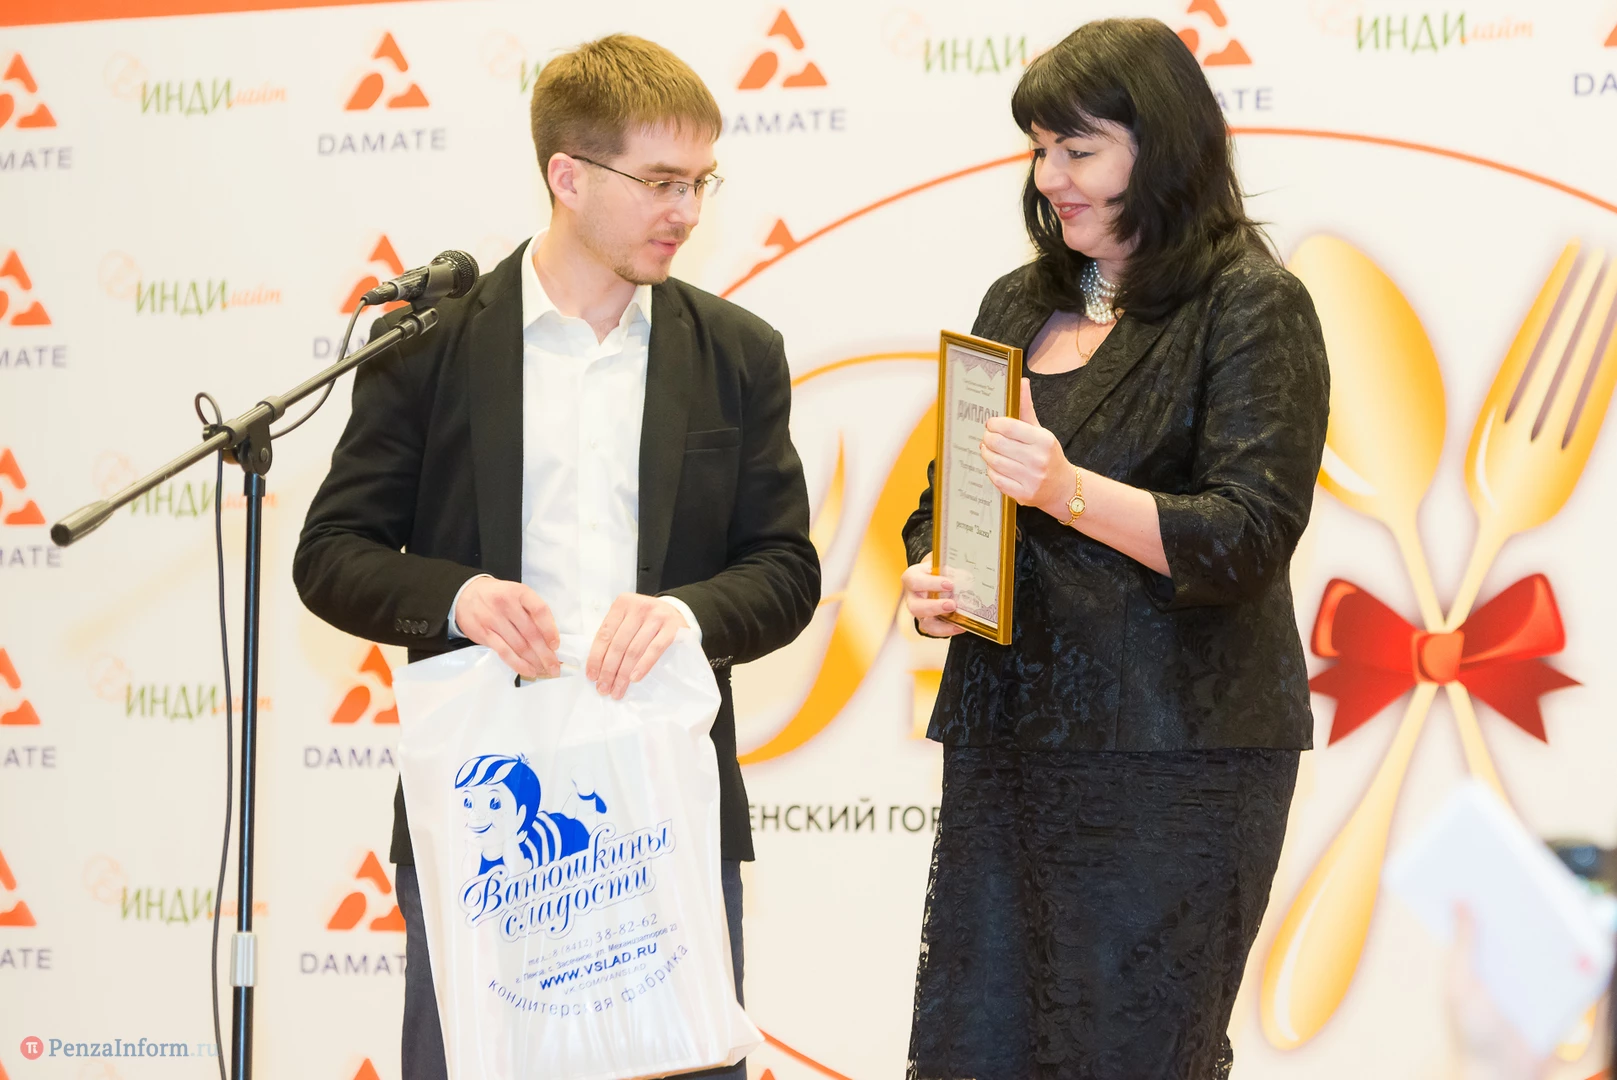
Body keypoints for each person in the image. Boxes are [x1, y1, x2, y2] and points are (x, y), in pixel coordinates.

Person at [293, 34, 820, 1080]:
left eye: (700, 182)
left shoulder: (737, 352)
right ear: (568, 176)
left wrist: (684, 616)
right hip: (483, 812)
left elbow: (784, 570)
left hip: (663, 806)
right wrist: (460, 599)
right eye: (660, 181)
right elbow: (332, 553)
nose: (686, 210)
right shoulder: (428, 343)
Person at [899, 18, 1329, 1080]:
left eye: (1078, 150)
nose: (1050, 177)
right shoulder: (1019, 300)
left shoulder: (1252, 304)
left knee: (1131, 1049)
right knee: (981, 1046)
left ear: (1162, 146)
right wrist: (934, 571)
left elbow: (1247, 535)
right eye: (1040, 149)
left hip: (1176, 757)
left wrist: (1069, 492)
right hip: (1009, 743)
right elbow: (950, 491)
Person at [454, 754, 588, 876]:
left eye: (495, 803)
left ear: (520, 816)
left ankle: (587, 798)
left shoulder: (520, 859)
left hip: (564, 834)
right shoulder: (474, 857)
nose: (477, 814)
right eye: (468, 802)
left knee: (583, 825)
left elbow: (522, 872)